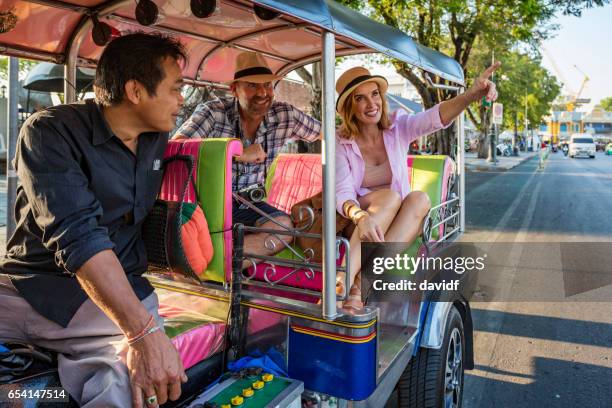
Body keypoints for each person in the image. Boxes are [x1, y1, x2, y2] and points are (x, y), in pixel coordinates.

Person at [0, 33, 187, 408]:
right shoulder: (49, 132)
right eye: (176, 88)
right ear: (135, 91)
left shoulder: (156, 138)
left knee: (135, 381)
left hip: (121, 292)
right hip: (38, 289)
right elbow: (79, 236)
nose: (182, 99)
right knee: (129, 376)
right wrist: (142, 332)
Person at [335, 64, 500, 309]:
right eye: (360, 98)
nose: (371, 104)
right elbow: (342, 192)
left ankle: (360, 283)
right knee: (391, 197)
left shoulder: (397, 126)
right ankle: (339, 284)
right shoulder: (341, 142)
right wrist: (360, 217)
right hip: (360, 221)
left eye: (375, 94)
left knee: (420, 199)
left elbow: (434, 118)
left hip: (395, 223)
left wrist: (471, 95)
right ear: (350, 106)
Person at [173, 51, 321, 265]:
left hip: (250, 205)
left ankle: (220, 265)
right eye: (252, 85)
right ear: (234, 89)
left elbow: (328, 134)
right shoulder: (213, 112)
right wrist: (235, 152)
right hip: (207, 204)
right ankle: (211, 266)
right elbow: (177, 148)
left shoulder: (284, 115)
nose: (263, 92)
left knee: (283, 227)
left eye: (268, 85)